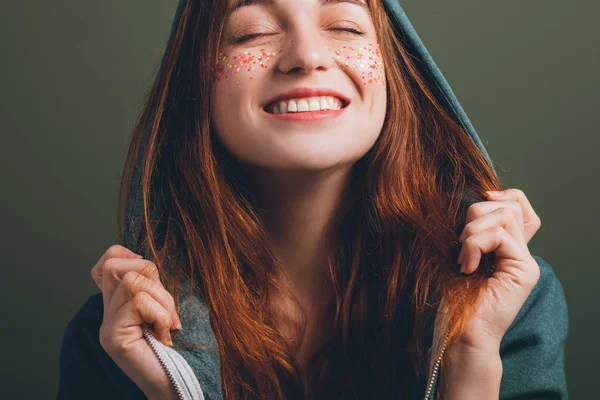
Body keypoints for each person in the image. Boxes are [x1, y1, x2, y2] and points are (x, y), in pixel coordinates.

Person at [57, 0, 569, 399]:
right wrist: (173, 390)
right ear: (196, 84)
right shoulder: (117, 338)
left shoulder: (507, 299)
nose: (307, 55)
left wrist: (471, 357)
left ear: (394, 69)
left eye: (345, 27)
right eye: (251, 32)